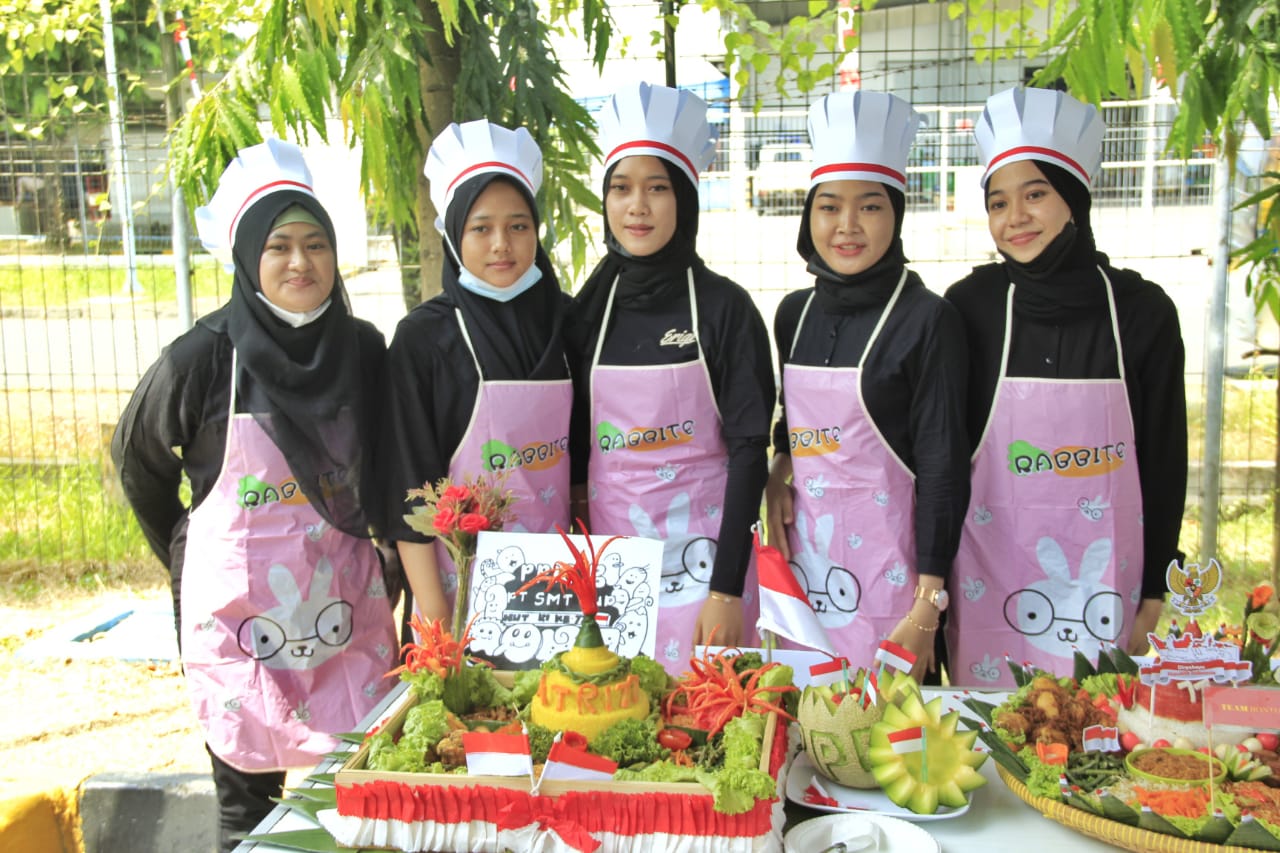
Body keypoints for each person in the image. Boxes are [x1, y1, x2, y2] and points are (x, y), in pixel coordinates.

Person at [111, 139, 397, 852]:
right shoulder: (201, 359)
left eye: (315, 244)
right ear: (246, 257)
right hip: (241, 625)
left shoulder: (362, 349)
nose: (300, 263)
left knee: (361, 793)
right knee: (246, 808)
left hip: (343, 606)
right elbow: (137, 462)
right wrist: (184, 557)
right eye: (278, 246)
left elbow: (391, 466)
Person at [944, 87, 1187, 687]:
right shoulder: (969, 308)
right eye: (998, 202)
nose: (1015, 217)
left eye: (1036, 194)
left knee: (1096, 746)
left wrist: (1155, 589)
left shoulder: (1141, 312)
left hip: (1107, 584)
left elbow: (1165, 458)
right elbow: (939, 455)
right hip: (987, 586)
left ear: (1074, 199)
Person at [569, 82, 776, 674]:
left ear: (684, 199)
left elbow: (748, 451)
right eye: (621, 188)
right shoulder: (587, 310)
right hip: (612, 585)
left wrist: (727, 590)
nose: (637, 207)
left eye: (657, 188)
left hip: (709, 574)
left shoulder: (724, 309)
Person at [764, 91, 969, 682]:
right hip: (809, 580)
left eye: (870, 207)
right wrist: (779, 467)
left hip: (897, 589)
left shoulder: (928, 319)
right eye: (829, 207)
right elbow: (792, 424)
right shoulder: (793, 314)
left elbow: (942, 465)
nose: (847, 227)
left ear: (897, 214)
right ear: (809, 216)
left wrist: (928, 606)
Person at [380, 120, 572, 628]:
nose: (501, 245)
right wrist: (438, 620)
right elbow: (407, 484)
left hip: (560, 588)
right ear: (453, 234)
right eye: (480, 228)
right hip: (456, 593)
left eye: (518, 226)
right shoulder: (424, 339)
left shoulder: (569, 321)